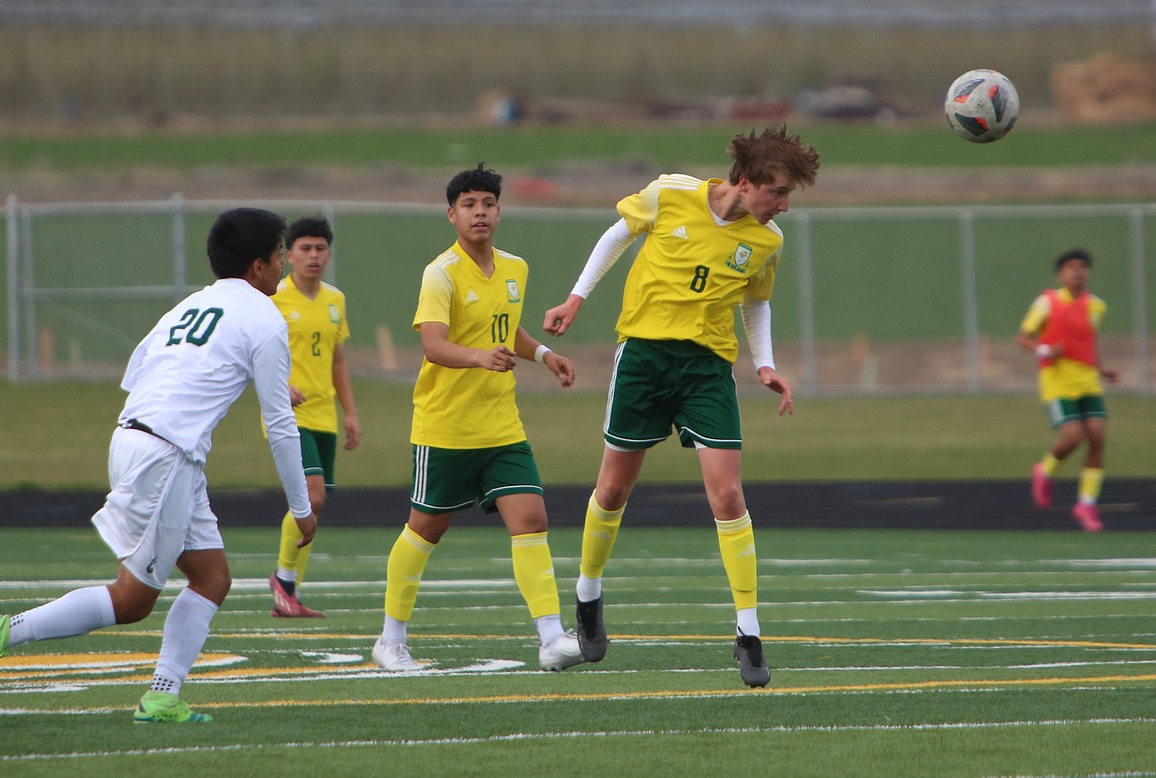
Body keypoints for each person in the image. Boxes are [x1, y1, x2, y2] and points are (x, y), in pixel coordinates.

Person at [0, 208, 316, 723]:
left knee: (212, 578)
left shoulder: (190, 305)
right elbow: (280, 426)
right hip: (166, 455)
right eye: (279, 257)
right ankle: (4, 632)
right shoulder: (266, 317)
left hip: (143, 440)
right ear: (258, 266)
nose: (285, 267)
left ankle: (163, 695)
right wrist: (301, 506)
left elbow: (141, 372)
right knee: (134, 599)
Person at [542, 127, 820, 688]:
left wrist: (764, 364)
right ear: (746, 182)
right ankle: (589, 595)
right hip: (643, 358)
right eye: (779, 193)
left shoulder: (768, 241)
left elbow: (757, 303)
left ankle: (748, 634)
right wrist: (576, 298)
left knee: (728, 494)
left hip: (707, 371)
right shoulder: (670, 193)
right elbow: (616, 235)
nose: (785, 206)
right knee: (613, 489)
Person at [371, 164, 584, 673]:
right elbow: (434, 344)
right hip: (445, 426)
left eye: (488, 203)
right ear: (452, 215)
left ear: (499, 211)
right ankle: (390, 640)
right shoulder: (440, 273)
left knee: (531, 519)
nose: (480, 212)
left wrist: (544, 355)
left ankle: (552, 639)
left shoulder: (515, 268)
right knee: (425, 529)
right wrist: (480, 357)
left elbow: (508, 331)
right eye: (469, 204)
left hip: (501, 424)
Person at [266, 216, 361, 617]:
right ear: (288, 256)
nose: (314, 255)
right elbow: (254, 355)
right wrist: (278, 386)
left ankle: (289, 593)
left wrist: (351, 413)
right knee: (312, 495)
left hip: (324, 415)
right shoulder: (273, 301)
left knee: (315, 504)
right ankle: (283, 581)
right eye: (305, 248)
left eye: (320, 248)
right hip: (288, 415)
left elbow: (338, 360)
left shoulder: (335, 300)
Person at [1017, 248, 1119, 531]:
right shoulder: (1047, 303)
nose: (1078, 271)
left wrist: (1102, 368)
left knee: (1098, 437)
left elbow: (1087, 341)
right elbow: (1023, 338)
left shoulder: (1097, 306)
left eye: (1083, 267)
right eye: (1071, 267)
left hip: (1087, 379)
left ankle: (1086, 503)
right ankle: (1044, 470)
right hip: (1058, 381)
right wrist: (1046, 349)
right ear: (1061, 274)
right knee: (1073, 437)